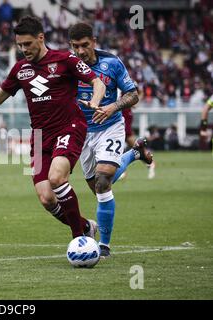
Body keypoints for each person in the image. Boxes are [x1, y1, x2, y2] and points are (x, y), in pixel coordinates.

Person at [0, 16, 106, 239]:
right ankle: (86, 227)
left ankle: (79, 239)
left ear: (41, 38)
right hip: (40, 137)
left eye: (28, 44)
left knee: (57, 178)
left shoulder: (65, 59)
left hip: (69, 127)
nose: (23, 49)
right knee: (47, 199)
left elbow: (97, 82)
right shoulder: (21, 69)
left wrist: (96, 102)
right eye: (20, 45)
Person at [69, 22, 153, 257]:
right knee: (96, 187)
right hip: (81, 132)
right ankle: (134, 153)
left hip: (110, 126)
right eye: (76, 46)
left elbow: (133, 94)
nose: (81, 51)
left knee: (103, 181)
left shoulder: (112, 63)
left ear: (94, 41)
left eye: (85, 45)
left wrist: (112, 107)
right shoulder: (68, 65)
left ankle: (104, 245)